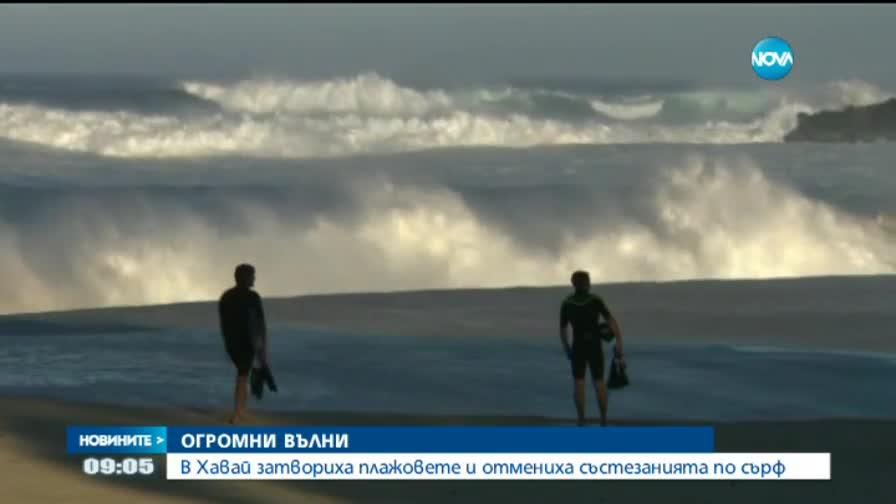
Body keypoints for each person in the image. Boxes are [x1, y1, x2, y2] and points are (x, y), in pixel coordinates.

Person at [559, 270, 624, 427]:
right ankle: (603, 420)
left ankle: (581, 421)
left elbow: (563, 329)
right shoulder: (595, 300)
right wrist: (619, 341)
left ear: (573, 284)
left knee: (579, 384)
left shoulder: (567, 303)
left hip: (578, 346)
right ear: (588, 284)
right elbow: (611, 321)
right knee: (599, 383)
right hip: (594, 345)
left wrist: (566, 347)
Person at [218, 263, 268, 424]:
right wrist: (261, 347)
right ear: (244, 277)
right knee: (243, 376)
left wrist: (228, 342)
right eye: (251, 275)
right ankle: (239, 413)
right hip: (247, 341)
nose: (254, 278)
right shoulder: (252, 297)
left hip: (233, 342)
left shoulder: (226, 296)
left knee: (243, 374)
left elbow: (224, 323)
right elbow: (260, 323)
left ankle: (240, 411)